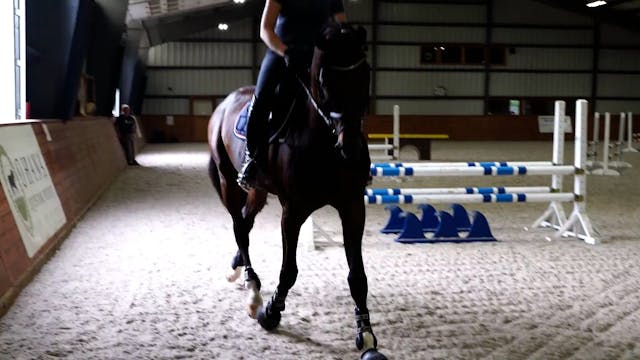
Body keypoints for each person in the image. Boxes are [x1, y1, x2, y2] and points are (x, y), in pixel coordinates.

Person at [236, 0, 347, 190]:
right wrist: (285, 52)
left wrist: (347, 39)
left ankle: (350, 157)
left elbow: (342, 26)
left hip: (317, 56)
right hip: (282, 53)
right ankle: (252, 159)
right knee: (262, 97)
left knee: (344, 97)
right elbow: (265, 30)